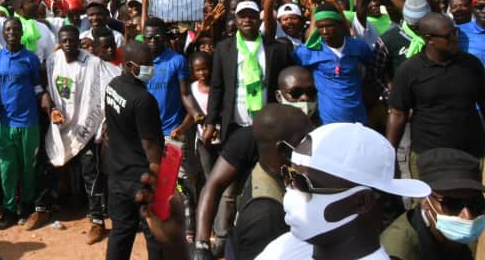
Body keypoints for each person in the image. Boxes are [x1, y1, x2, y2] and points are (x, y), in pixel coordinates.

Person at [193, 66, 318, 259]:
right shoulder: (255, 136)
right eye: (295, 93)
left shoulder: (322, 135)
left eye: (310, 93)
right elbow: (214, 184)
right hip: (260, 232)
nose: (304, 99)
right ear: (279, 96)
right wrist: (201, 244)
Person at [256, 122, 431, 260]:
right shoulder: (285, 247)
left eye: (304, 184)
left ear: (362, 201)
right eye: (289, 177)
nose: (291, 194)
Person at [37, 23, 119, 240]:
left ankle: (97, 220)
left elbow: (111, 82)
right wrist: (51, 107)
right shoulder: (52, 61)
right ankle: (42, 209)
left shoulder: (92, 63)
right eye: (63, 40)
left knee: (90, 173)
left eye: (72, 40)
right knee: (49, 166)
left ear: (78, 41)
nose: (68, 44)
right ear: (59, 42)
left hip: (84, 125)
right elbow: (43, 86)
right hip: (59, 124)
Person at [386, 13, 485, 173]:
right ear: (429, 38)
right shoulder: (409, 71)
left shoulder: (471, 64)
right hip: (428, 157)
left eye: (455, 33)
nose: (455, 38)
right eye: (448, 36)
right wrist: (389, 154)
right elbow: (398, 114)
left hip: (472, 153)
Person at [203, 1, 294, 146]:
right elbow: (216, 88)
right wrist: (210, 122)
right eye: (242, 16)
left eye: (251, 16)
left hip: (269, 127)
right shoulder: (224, 48)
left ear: (259, 19)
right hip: (234, 126)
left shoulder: (277, 49)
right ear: (236, 20)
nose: (247, 20)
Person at [104, 41, 164, 260]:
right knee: (154, 234)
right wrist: (158, 179)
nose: (151, 68)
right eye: (145, 64)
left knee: (121, 231)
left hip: (117, 174)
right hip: (141, 177)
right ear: (130, 65)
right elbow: (150, 145)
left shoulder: (112, 86)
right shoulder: (143, 100)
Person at [380, 148, 485, 259]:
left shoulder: (461, 236)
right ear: (425, 199)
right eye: (453, 204)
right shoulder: (396, 252)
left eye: (475, 202)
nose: (467, 216)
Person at [0, 16, 46, 229]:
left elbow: (38, 87)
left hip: (29, 122)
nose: (12, 32)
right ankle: (9, 210)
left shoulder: (30, 59)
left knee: (28, 168)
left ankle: (27, 205)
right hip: (5, 122)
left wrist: (45, 101)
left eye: (15, 29)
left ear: (21, 33)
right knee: (7, 169)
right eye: (8, 29)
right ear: (3, 33)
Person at [293, 2, 373, 124]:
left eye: (329, 26)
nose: (324, 31)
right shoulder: (309, 52)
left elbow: (373, 68)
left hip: (358, 119)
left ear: (340, 24)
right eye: (320, 27)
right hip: (327, 122)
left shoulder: (358, 47)